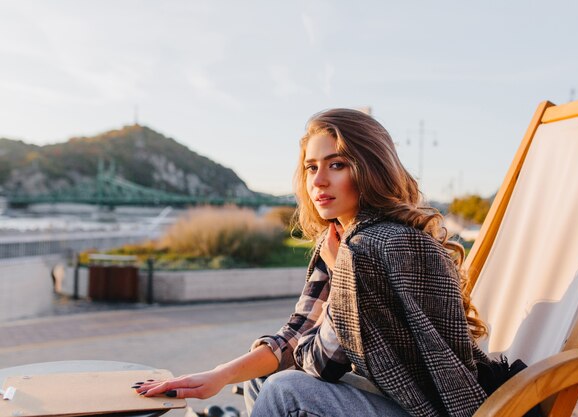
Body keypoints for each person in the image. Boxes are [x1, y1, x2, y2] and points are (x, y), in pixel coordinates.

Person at [136, 109, 492, 417]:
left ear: (370, 169)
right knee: (261, 378)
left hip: (425, 408)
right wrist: (220, 375)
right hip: (381, 395)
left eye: (337, 164)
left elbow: (324, 362)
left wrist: (342, 276)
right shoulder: (338, 238)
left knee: (285, 391)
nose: (319, 181)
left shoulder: (384, 243)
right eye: (311, 167)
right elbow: (297, 332)